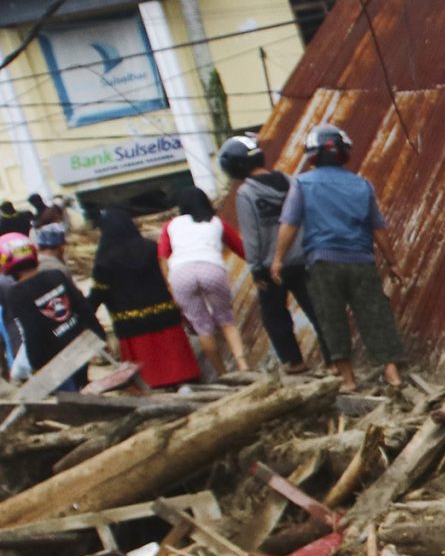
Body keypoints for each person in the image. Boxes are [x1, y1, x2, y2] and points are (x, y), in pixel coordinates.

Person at [274, 123, 407, 393]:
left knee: (331, 317)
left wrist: (278, 258)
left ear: (312, 156)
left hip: (323, 263)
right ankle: (391, 373)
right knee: (375, 315)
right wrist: (392, 262)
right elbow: (377, 228)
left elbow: (290, 224)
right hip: (361, 261)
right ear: (344, 153)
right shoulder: (362, 184)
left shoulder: (301, 183)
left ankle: (348, 379)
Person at [220, 134, 316, 372]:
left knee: (274, 316)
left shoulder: (246, 193)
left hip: (269, 265)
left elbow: (252, 237)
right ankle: (334, 358)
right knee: (316, 310)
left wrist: (255, 269)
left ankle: (294, 362)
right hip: (302, 258)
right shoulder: (289, 181)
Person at [87, 206, 200, 389]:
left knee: (149, 379)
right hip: (165, 318)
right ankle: (184, 381)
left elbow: (98, 294)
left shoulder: (105, 261)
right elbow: (168, 277)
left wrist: (85, 314)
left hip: (132, 326)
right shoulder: (151, 248)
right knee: (178, 369)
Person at [157, 184, 249, 377]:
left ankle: (222, 373)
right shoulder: (216, 222)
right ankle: (243, 367)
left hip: (181, 274)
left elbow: (163, 257)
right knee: (226, 320)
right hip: (211, 269)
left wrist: (170, 287)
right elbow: (241, 249)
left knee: (202, 326)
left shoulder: (171, 225)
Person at [1, 232, 102, 392]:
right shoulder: (55, 275)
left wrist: (37, 366)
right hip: (80, 346)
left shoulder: (17, 294)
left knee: (68, 400)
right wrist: (99, 334)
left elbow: (31, 332)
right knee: (80, 387)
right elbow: (83, 307)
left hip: (54, 361)